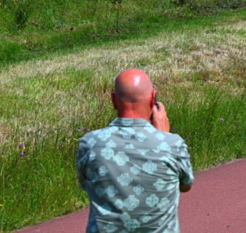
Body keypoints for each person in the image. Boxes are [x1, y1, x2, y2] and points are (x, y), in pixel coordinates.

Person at [77, 69, 193, 233]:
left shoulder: (90, 144)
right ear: (153, 98)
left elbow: (86, 184)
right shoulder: (172, 144)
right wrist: (163, 137)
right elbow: (185, 185)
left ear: (113, 100)